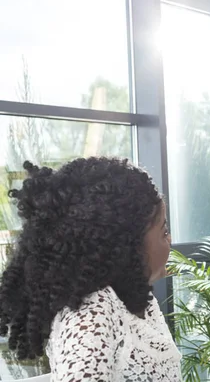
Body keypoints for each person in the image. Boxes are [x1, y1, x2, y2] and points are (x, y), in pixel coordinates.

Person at [0, 157, 181, 381]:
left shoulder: (137, 300)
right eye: (163, 232)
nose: (170, 240)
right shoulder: (92, 313)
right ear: (127, 245)